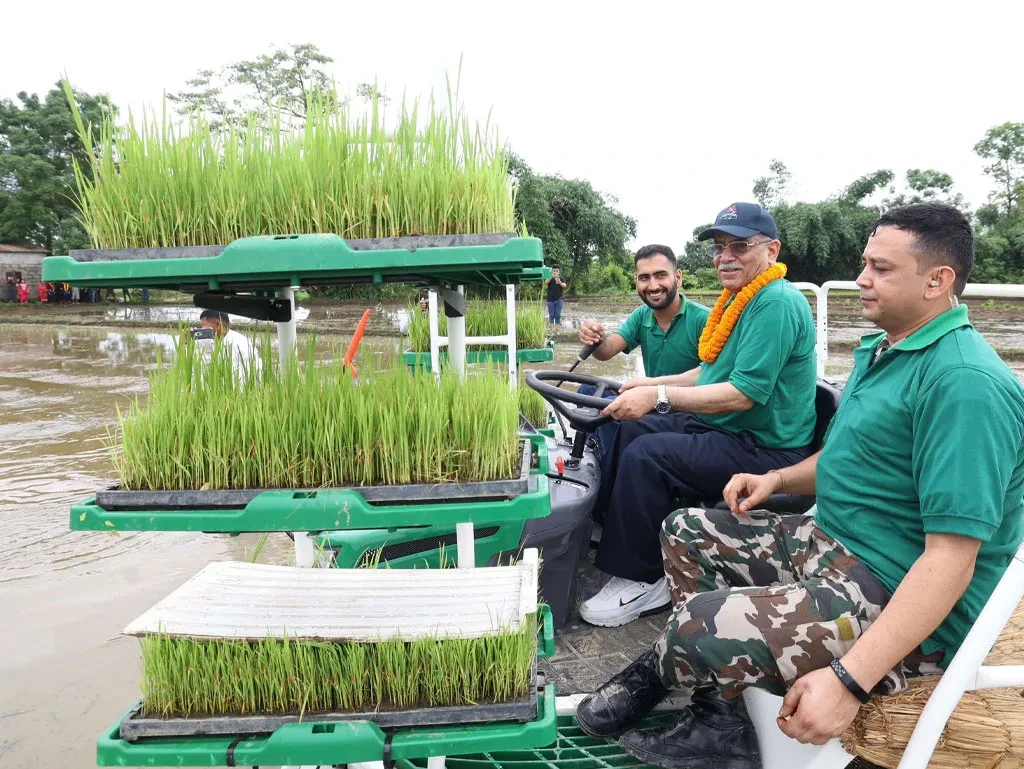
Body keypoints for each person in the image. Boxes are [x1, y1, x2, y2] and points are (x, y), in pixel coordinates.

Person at [574, 203, 1024, 769]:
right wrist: (777, 478)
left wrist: (849, 682)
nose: (860, 279)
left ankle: (661, 670)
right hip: (836, 544)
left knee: (698, 624)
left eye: (881, 269)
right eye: (865, 263)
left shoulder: (964, 385)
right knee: (687, 529)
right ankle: (721, 724)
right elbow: (845, 458)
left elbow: (951, 564)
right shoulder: (886, 349)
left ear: (939, 280)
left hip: (893, 586)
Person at [579, 203, 817, 627]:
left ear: (771, 250)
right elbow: (709, 372)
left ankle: (644, 579)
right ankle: (627, 534)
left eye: (739, 246)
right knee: (632, 429)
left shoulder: (775, 302)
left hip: (765, 446)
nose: (726, 256)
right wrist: (652, 387)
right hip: (733, 430)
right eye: (720, 247)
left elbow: (743, 394)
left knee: (647, 454)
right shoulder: (739, 299)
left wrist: (660, 397)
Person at [575, 244, 710, 458]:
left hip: (685, 410)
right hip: (653, 401)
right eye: (644, 277)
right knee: (587, 393)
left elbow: (713, 377)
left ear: (678, 277)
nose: (653, 285)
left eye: (660, 275)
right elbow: (606, 351)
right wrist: (595, 336)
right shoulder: (642, 316)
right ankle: (603, 458)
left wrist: (652, 392)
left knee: (612, 412)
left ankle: (614, 467)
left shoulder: (704, 320)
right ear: (636, 281)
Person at [198, 309, 260, 378]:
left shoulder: (239, 344)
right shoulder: (211, 338)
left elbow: (241, 377)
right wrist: (188, 339)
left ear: (218, 324)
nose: (202, 328)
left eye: (204, 325)